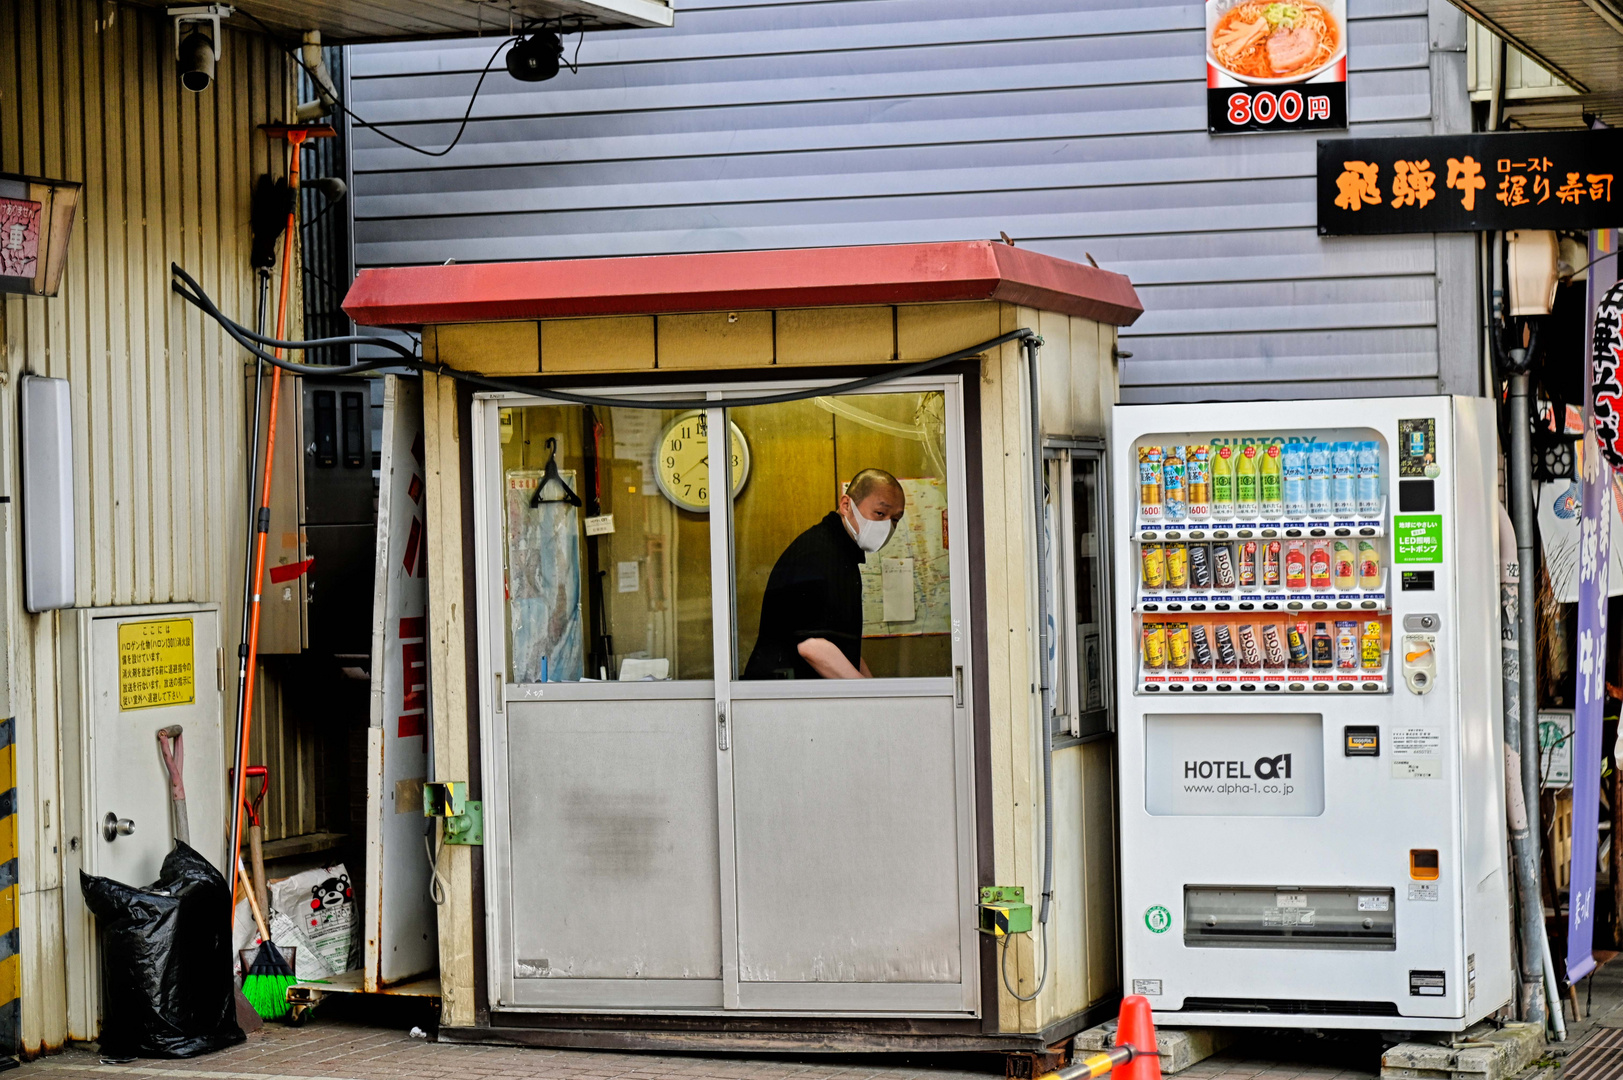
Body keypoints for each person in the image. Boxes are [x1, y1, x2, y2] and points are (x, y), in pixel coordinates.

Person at [743, 469, 906, 679]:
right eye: (880, 514)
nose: (887, 526)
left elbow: (841, 647)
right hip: (781, 697)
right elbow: (813, 646)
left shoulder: (840, 552)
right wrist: (868, 698)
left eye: (895, 519)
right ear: (846, 505)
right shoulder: (819, 553)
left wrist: (871, 688)